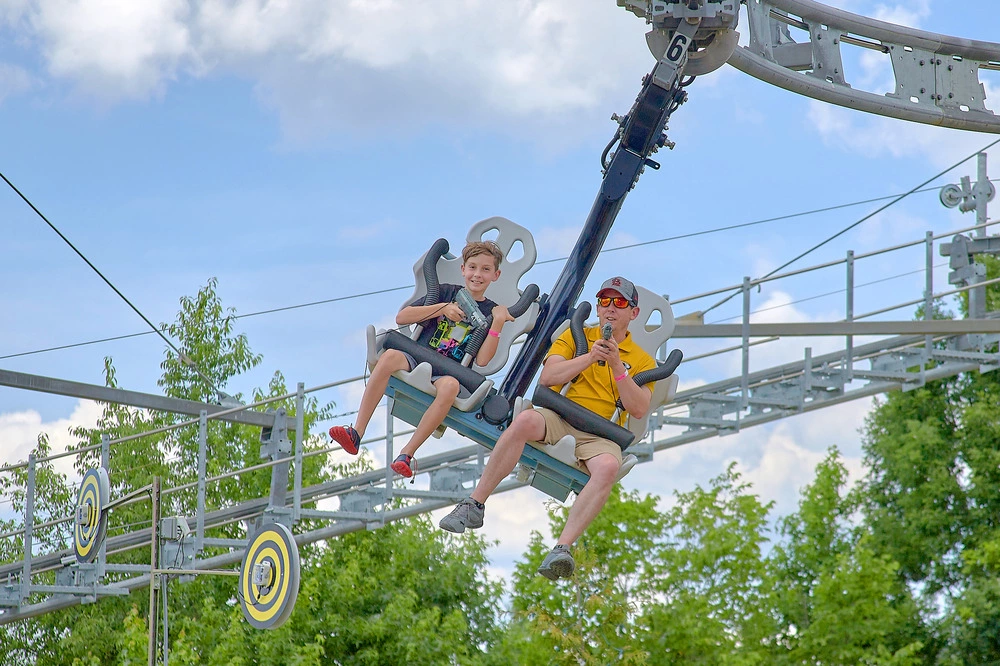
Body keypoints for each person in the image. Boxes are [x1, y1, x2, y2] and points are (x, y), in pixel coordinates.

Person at [438, 276, 656, 580]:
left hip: (601, 432)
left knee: (608, 466)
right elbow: (549, 376)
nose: (610, 308)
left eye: (619, 303)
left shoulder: (643, 360)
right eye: (604, 301)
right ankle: (474, 504)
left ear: (633, 312)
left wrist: (618, 366)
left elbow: (639, 408)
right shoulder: (575, 334)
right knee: (525, 420)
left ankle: (562, 549)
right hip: (561, 417)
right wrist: (591, 356)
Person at [329, 240, 515, 477]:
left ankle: (407, 454)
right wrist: (442, 309)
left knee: (450, 387)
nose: (477, 274)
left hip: (449, 371)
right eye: (473, 267)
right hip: (417, 356)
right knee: (389, 358)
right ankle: (357, 431)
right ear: (463, 269)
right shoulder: (447, 292)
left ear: (495, 275)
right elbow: (402, 317)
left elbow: (483, 360)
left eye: (485, 270)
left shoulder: (490, 312)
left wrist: (497, 322)